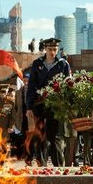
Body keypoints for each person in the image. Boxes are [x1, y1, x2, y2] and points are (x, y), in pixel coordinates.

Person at [26, 38, 71, 167]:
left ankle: (58, 166)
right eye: (50, 49)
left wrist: (67, 104)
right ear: (45, 49)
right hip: (39, 104)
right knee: (40, 135)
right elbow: (31, 85)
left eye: (55, 49)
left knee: (55, 136)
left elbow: (69, 85)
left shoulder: (63, 64)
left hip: (56, 105)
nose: (52, 52)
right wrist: (29, 107)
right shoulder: (37, 64)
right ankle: (42, 165)